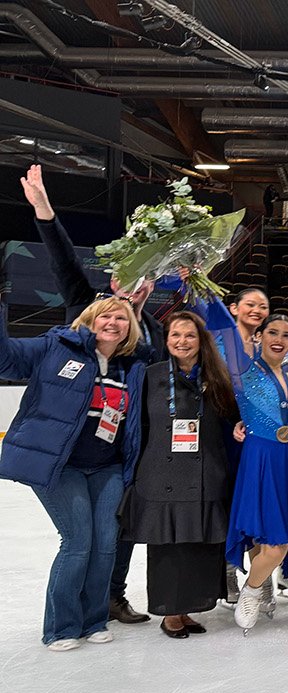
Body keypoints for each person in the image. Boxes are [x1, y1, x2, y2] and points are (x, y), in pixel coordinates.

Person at [24, 164, 160, 625]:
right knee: (81, 539)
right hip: (68, 459)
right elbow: (64, 262)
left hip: (114, 459)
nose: (116, 315)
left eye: (140, 282)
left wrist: (141, 309)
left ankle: (106, 602)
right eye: (125, 280)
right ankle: (69, 619)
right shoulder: (85, 313)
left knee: (112, 536)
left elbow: (159, 354)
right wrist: (45, 212)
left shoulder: (138, 342)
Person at [0, 292, 149, 650]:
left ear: (131, 327)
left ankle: (94, 619)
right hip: (61, 464)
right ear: (90, 319)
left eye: (121, 318)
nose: (112, 323)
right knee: (78, 541)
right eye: (105, 317)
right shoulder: (56, 346)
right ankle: (62, 626)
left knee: (105, 546)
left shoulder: (131, 365)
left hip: (107, 467)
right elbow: (6, 360)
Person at [119, 310, 238, 638]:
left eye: (189, 336)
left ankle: (189, 608)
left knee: (198, 545)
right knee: (169, 548)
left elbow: (230, 421)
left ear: (201, 341)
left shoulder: (217, 377)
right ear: (166, 340)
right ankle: (171, 612)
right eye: (175, 335)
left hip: (206, 474)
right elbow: (137, 426)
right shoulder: (150, 375)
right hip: (162, 476)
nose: (182, 342)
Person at [220, 312, 288, 632]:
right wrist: (201, 287)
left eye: (285, 335)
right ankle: (252, 590)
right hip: (263, 458)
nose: (279, 340)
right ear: (259, 337)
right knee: (274, 542)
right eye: (273, 333)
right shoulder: (244, 373)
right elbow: (224, 331)